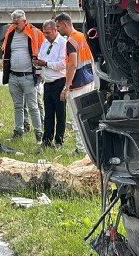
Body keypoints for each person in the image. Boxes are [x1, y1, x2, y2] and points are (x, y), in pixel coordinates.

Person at [1, 9, 45, 142]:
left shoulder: (35, 33)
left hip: (28, 77)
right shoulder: (10, 33)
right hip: (14, 76)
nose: (15, 26)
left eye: (17, 23)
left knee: (33, 106)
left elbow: (42, 54)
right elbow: (6, 53)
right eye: (13, 23)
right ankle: (18, 131)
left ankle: (39, 134)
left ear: (25, 22)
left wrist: (39, 73)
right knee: (18, 106)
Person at [56, 12, 95, 154]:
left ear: (65, 24)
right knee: (88, 115)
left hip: (77, 84)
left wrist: (66, 87)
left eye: (58, 26)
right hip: (88, 80)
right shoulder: (81, 36)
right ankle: (90, 146)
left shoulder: (71, 41)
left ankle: (81, 149)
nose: (58, 30)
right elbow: (91, 58)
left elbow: (72, 65)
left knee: (77, 118)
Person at [32, 19, 67, 148]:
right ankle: (47, 140)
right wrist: (39, 67)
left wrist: (46, 64)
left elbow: (63, 64)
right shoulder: (45, 43)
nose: (46, 35)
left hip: (59, 81)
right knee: (48, 113)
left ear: (55, 30)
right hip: (48, 82)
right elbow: (41, 57)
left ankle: (59, 141)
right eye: (44, 32)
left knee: (60, 114)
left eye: (48, 32)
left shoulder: (63, 43)